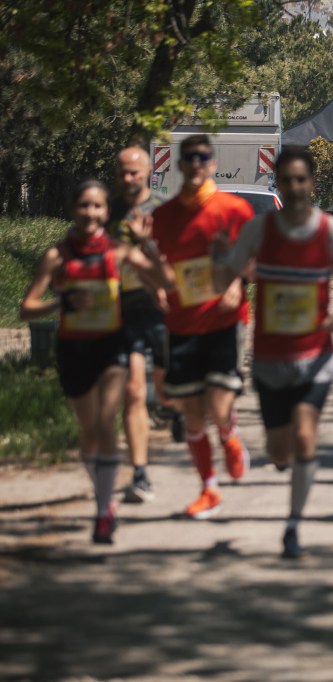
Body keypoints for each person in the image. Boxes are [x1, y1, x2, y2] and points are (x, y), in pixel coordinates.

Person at [212, 147, 333, 558]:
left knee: (304, 435)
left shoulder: (332, 233)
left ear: (312, 183)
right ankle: (282, 463)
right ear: (277, 183)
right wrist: (222, 268)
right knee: (279, 450)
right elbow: (231, 272)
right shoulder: (259, 232)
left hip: (316, 354)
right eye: (287, 180)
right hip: (269, 358)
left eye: (302, 180)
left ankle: (293, 526)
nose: (295, 188)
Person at [20, 180, 166, 543]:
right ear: (73, 210)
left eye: (98, 206)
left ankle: (102, 512)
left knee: (104, 423)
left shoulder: (118, 252)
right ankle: (104, 496)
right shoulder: (57, 255)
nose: (91, 212)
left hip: (111, 347)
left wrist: (146, 243)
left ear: (106, 212)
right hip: (74, 350)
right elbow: (26, 309)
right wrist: (61, 304)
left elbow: (167, 280)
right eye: (84, 206)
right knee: (88, 434)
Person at [150, 134, 255, 520]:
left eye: (203, 157)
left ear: (212, 163)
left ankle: (228, 436)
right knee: (192, 413)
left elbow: (251, 260)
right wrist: (156, 286)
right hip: (181, 322)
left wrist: (235, 284)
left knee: (218, 404)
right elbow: (158, 268)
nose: (196, 164)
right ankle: (208, 489)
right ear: (180, 165)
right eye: (189, 158)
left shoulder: (234, 209)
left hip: (225, 319)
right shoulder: (163, 217)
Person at [109, 147, 166, 503]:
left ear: (148, 172)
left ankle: (172, 409)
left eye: (134, 172)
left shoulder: (163, 211)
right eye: (122, 173)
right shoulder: (105, 212)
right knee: (133, 391)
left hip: (160, 309)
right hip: (123, 309)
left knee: (167, 389)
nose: (128, 178)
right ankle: (140, 473)